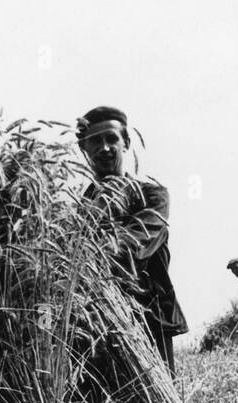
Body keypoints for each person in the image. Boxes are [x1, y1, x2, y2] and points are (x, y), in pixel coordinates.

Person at [77, 106, 187, 374]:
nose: (104, 148)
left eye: (112, 139)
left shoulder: (153, 196)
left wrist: (79, 260)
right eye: (95, 141)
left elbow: (135, 245)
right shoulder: (81, 208)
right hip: (96, 324)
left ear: (125, 142)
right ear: (83, 148)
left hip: (148, 319)